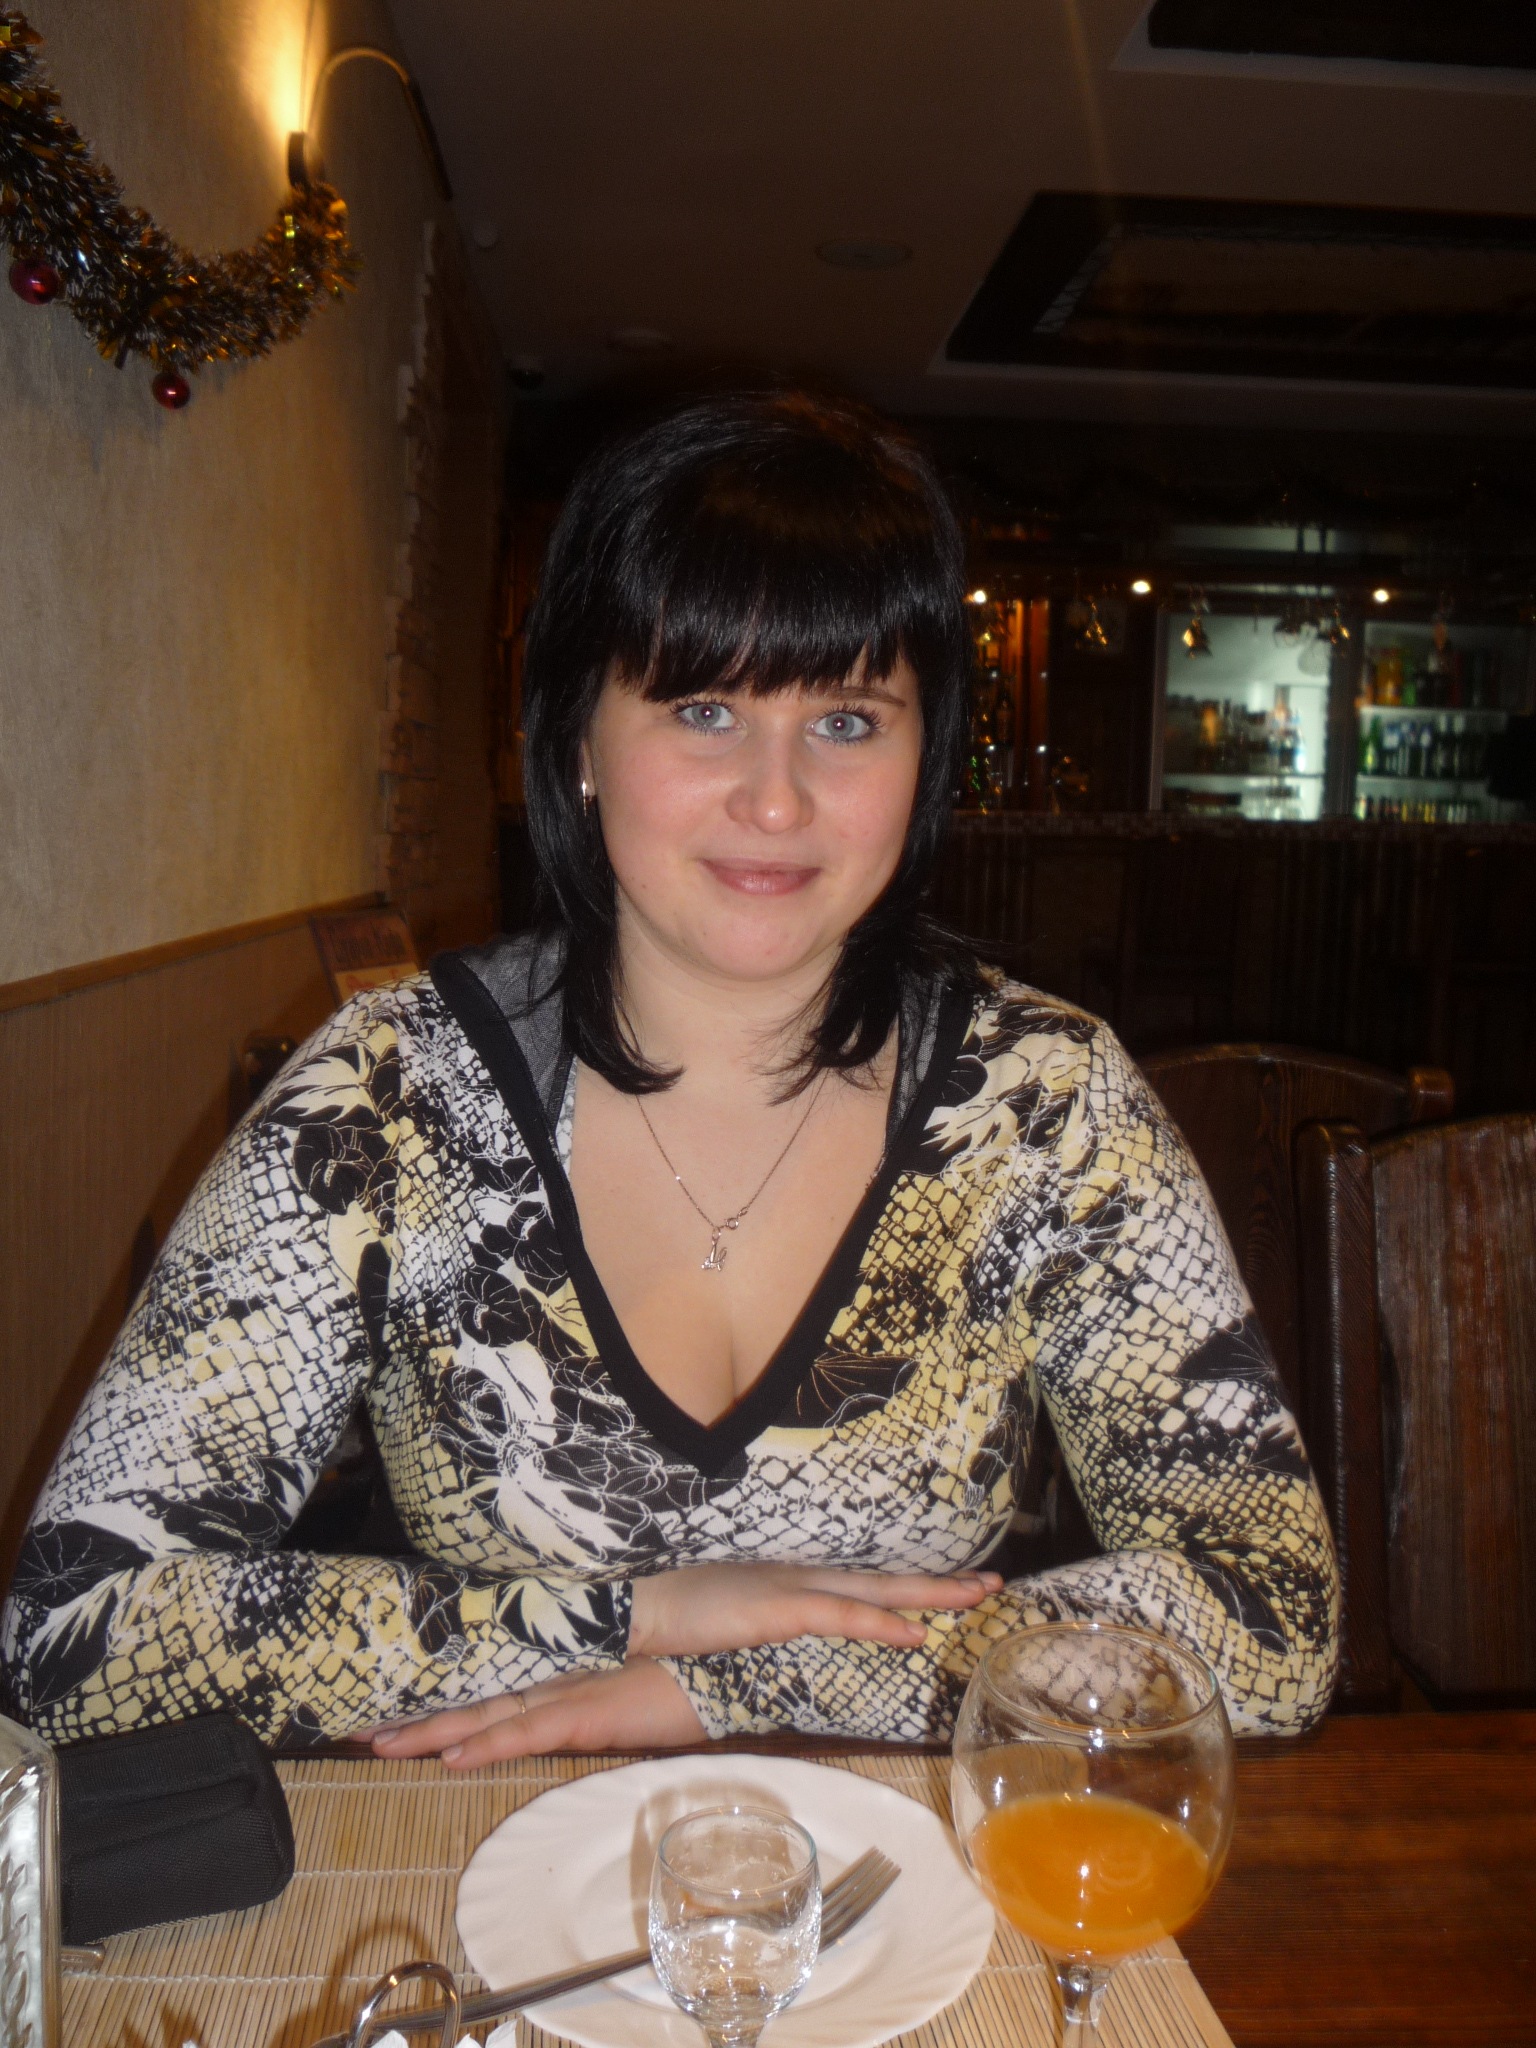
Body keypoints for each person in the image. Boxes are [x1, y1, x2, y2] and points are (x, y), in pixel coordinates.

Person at [1, 392, 1338, 1764]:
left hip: (911, 1869)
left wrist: (745, 1679)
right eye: (704, 709)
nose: (777, 799)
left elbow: (1273, 1614)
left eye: (847, 721)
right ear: (580, 739)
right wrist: (632, 1618)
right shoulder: (389, 1099)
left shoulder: (1046, 1102)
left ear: (924, 753)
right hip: (480, 1851)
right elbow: (69, 1634)